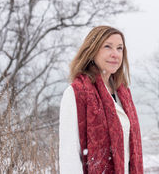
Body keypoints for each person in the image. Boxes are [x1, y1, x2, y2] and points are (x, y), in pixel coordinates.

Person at [59, 26, 143, 174]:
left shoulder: (124, 94)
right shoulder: (76, 93)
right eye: (107, 47)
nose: (115, 54)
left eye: (119, 48)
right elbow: (69, 156)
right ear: (92, 51)